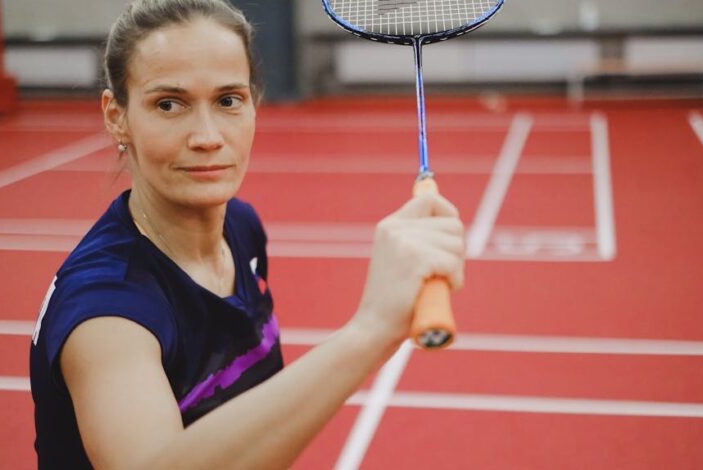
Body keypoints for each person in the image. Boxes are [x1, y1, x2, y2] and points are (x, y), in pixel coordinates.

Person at [29, 1, 465, 468]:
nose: (208, 136)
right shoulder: (106, 310)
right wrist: (370, 331)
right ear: (117, 116)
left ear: (253, 102)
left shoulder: (241, 227)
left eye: (228, 100)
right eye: (169, 104)